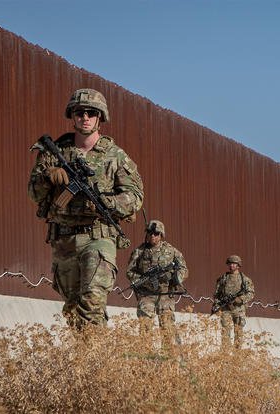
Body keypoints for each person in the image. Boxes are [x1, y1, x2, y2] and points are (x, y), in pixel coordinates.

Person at [28, 88, 144, 327]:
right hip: (64, 240)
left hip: (98, 238)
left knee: (91, 303)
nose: (85, 117)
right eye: (79, 112)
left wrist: (107, 203)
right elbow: (33, 193)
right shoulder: (54, 152)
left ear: (100, 117)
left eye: (91, 113)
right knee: (73, 311)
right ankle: (93, 350)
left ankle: (95, 350)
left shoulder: (115, 156)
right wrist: (48, 177)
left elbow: (135, 197)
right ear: (72, 116)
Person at [126, 220, 188, 348]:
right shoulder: (139, 251)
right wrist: (142, 281)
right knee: (145, 327)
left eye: (156, 233)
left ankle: (168, 357)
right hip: (146, 294)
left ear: (161, 235)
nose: (153, 236)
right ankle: (146, 356)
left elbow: (184, 269)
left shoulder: (171, 251)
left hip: (165, 294)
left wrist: (174, 277)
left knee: (167, 327)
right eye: (150, 233)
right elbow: (130, 271)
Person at [212, 255, 255, 349]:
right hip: (226, 309)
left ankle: (237, 354)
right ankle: (225, 354)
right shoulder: (223, 278)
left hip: (239, 309)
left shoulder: (244, 279)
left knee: (238, 333)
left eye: (234, 264)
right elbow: (217, 294)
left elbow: (251, 293)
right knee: (225, 333)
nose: (231, 265)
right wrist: (217, 304)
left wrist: (241, 299)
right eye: (230, 264)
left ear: (238, 265)